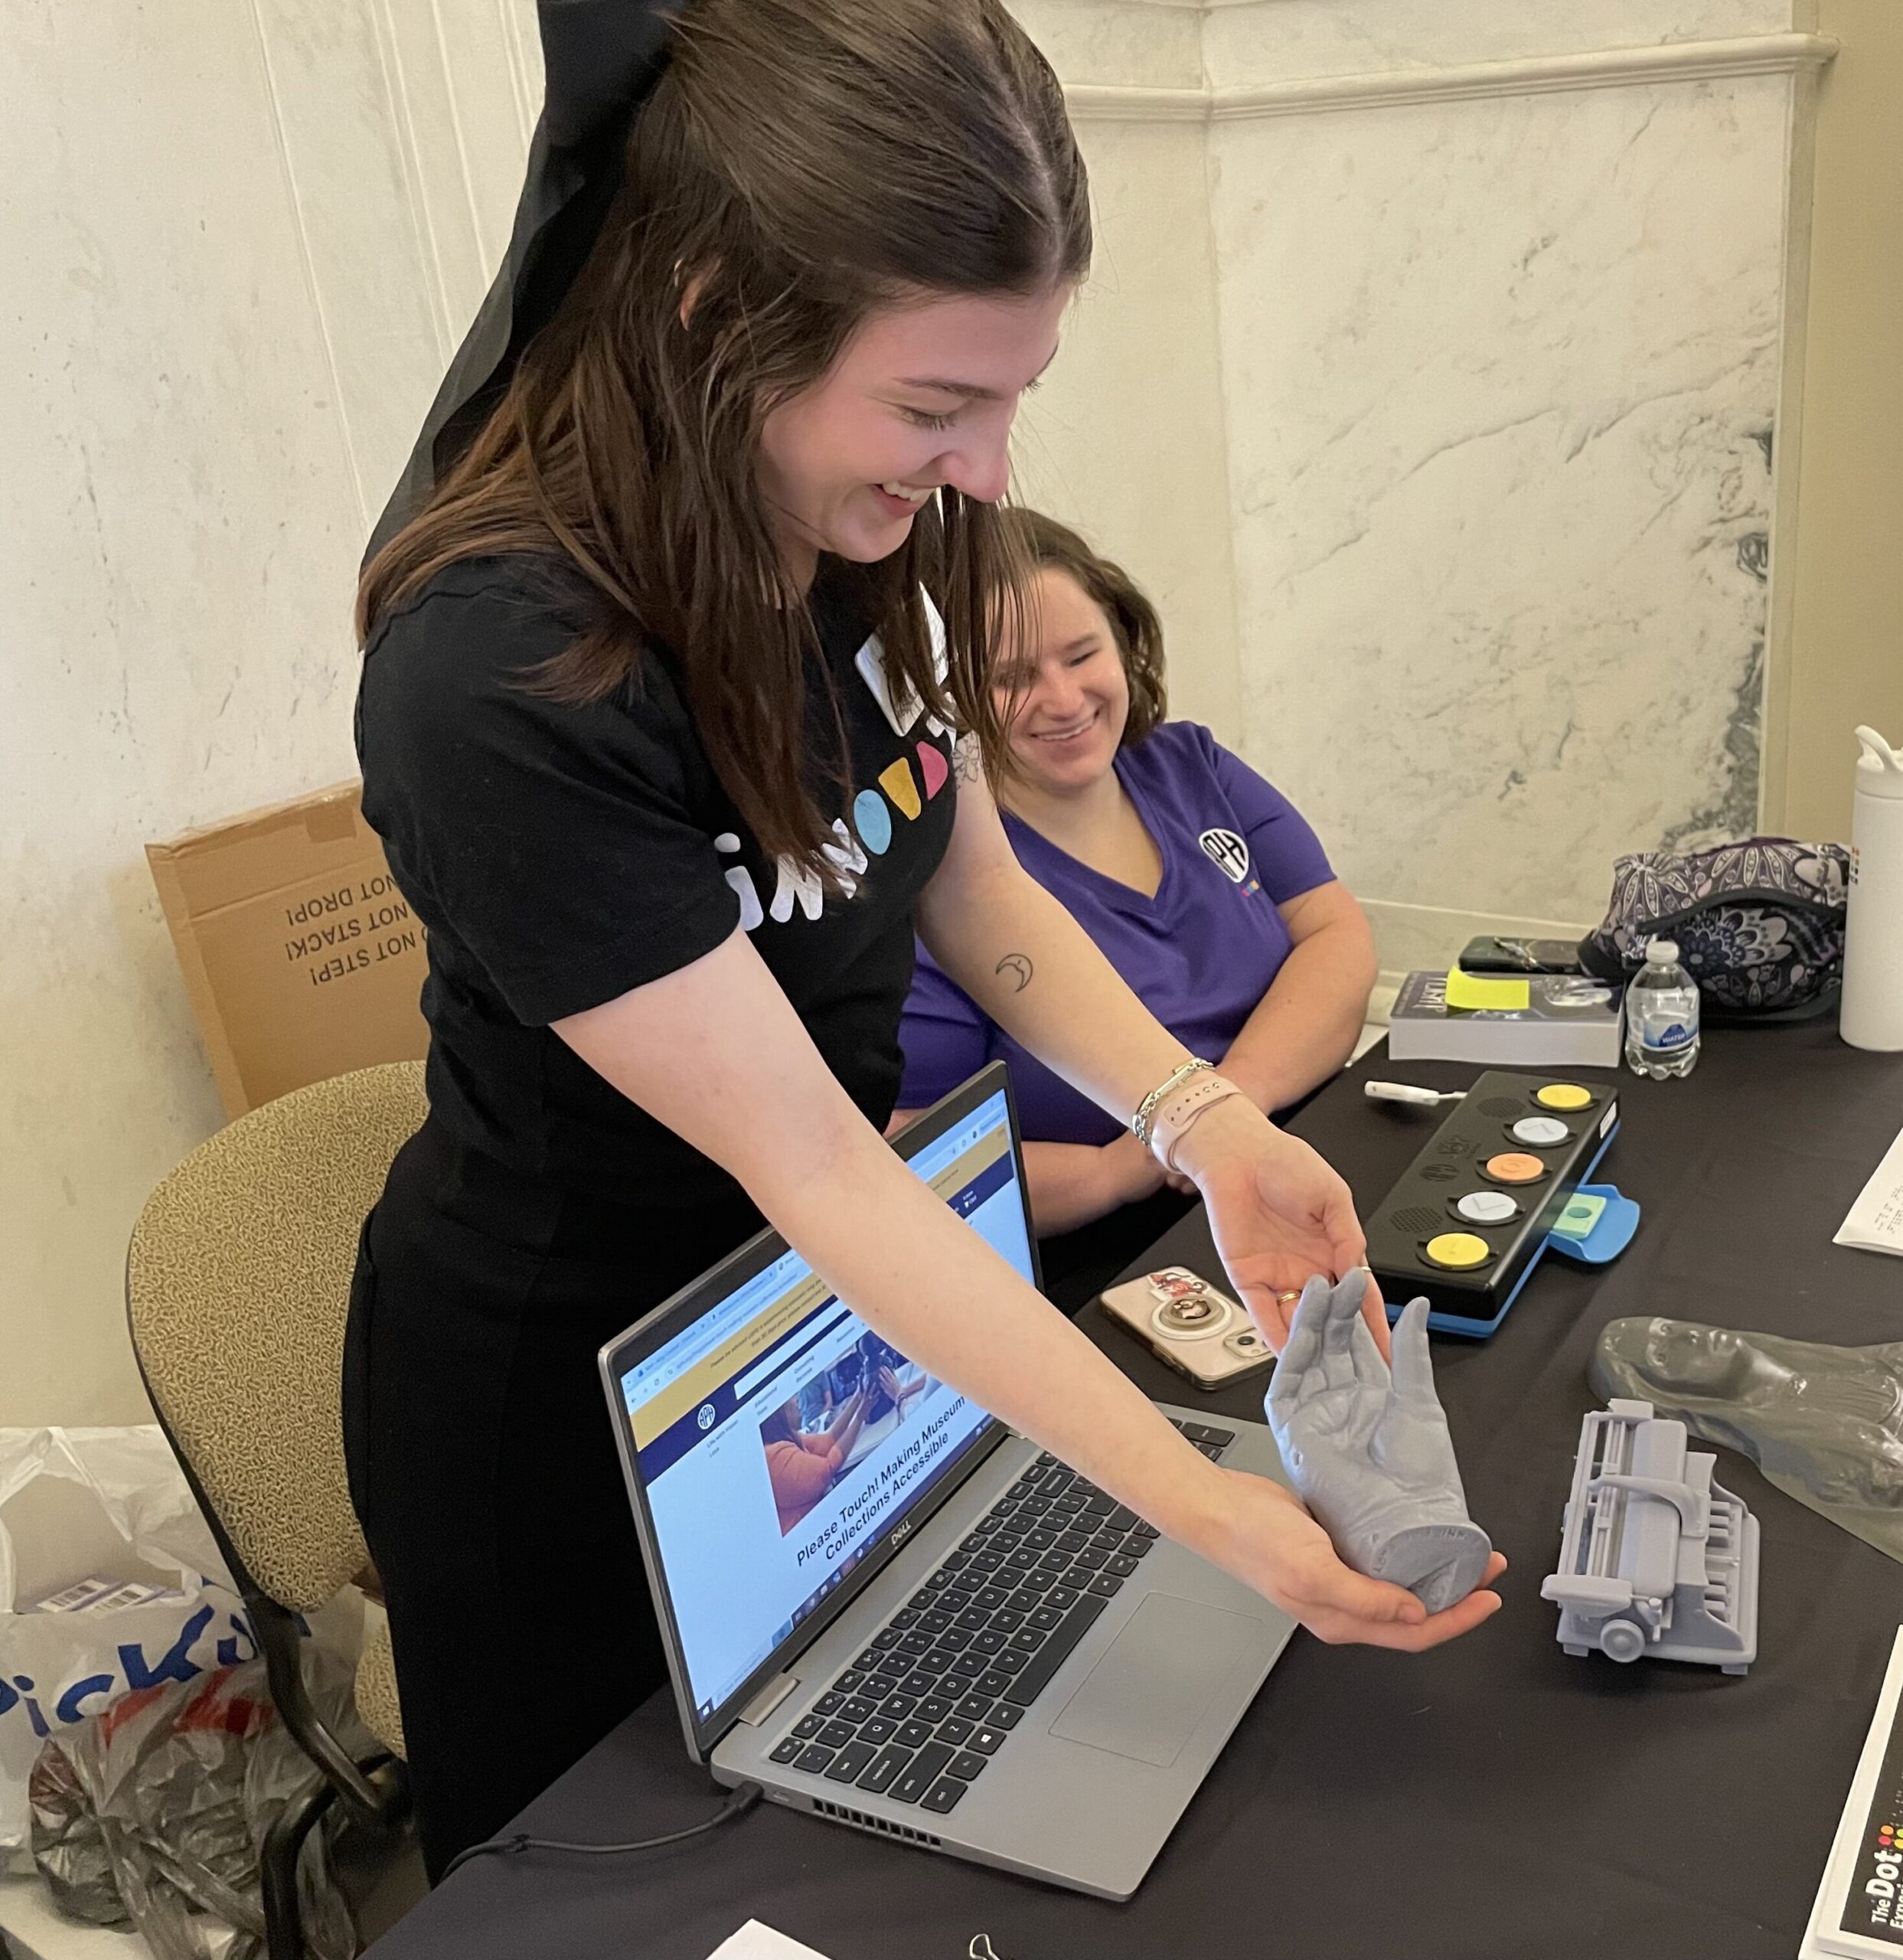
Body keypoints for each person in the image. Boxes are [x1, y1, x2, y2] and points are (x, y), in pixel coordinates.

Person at [344, 0, 1501, 1880]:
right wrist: (1206, 1515)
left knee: (873, 1807)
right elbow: (812, 1160)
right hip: (569, 1400)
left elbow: (959, 870)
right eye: (935, 403)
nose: (982, 470)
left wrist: (1204, 1120)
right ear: (716, 321)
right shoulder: (497, 681)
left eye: (1012, 391)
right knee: (616, 1877)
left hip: (812, 1320)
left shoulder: (854, 519)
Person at [896, 512, 1377, 1291]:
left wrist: (1223, 1112)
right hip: (1117, 1257)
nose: (1063, 697)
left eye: (1082, 655)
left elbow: (1335, 934)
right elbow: (916, 1157)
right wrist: (1121, 1168)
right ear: (946, 704)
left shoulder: (1189, 764)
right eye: (1012, 678)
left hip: (1291, 1156)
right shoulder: (947, 888)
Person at [762, 1387, 874, 1534]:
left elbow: (827, 1441)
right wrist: (860, 1416)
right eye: (790, 1398)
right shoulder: (774, 1456)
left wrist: (858, 1397)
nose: (796, 1401)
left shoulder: (783, 1439)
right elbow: (826, 1470)